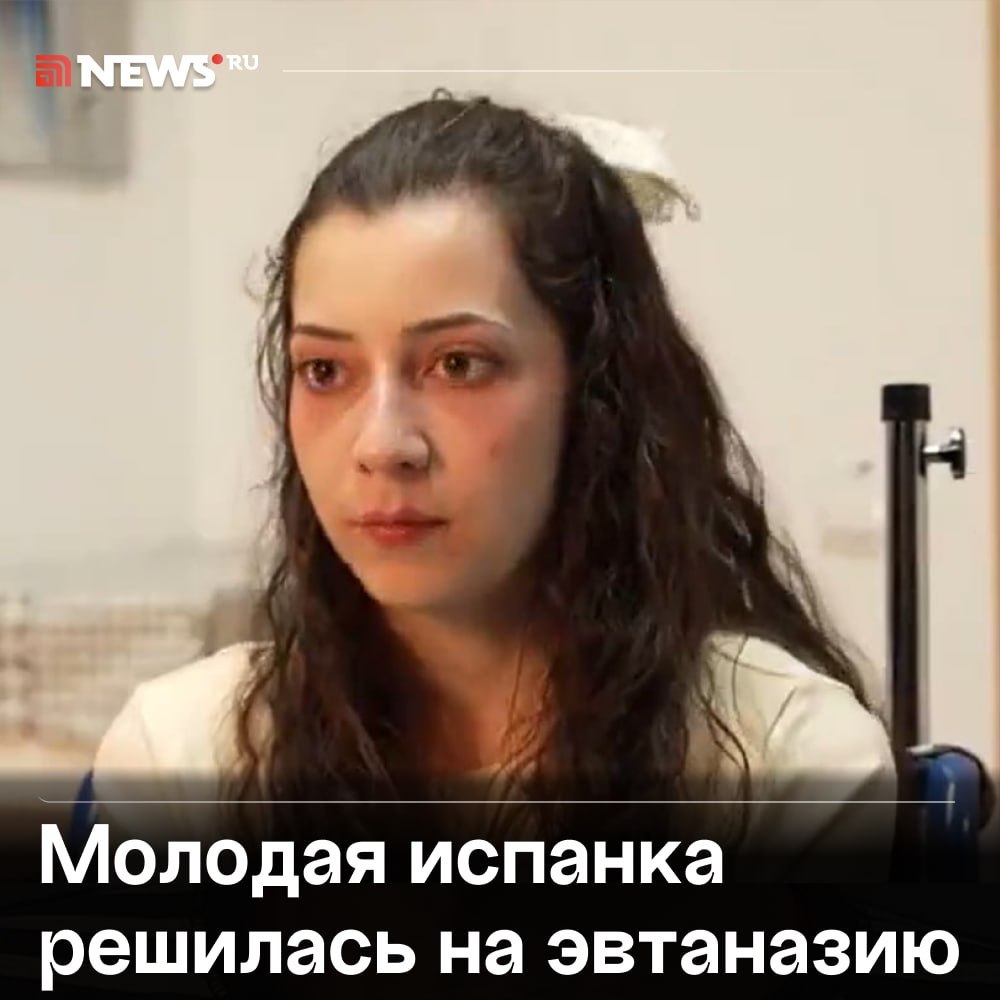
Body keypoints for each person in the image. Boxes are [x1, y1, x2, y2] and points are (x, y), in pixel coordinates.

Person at [91, 91, 896, 876]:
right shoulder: (184, 759)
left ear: (597, 392)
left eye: (458, 364)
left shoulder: (786, 760)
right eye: (326, 370)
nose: (383, 445)